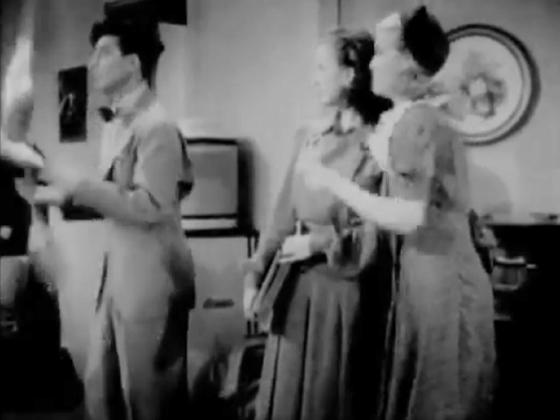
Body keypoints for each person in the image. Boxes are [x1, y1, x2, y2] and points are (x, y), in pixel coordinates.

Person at [299, 7, 496, 420]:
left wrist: (331, 181)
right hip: (422, 271)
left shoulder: (420, 121)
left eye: (381, 53)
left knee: (439, 397)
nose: (371, 63)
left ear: (409, 63)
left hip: (442, 277)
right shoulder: (406, 118)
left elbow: (408, 216)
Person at [37, 17, 196, 420]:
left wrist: (80, 185)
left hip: (151, 284)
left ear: (133, 63)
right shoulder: (117, 125)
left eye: (104, 53)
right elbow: (114, 197)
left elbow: (150, 204)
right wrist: (57, 193)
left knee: (148, 401)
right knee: (101, 393)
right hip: (115, 280)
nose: (93, 63)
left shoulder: (157, 127)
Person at [243, 29, 393, 420]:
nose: (313, 79)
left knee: (329, 401)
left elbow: (381, 231)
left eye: (321, 68)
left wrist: (318, 243)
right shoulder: (307, 137)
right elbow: (281, 214)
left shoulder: (379, 145)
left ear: (350, 75)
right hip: (293, 292)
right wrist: (255, 274)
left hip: (345, 295)